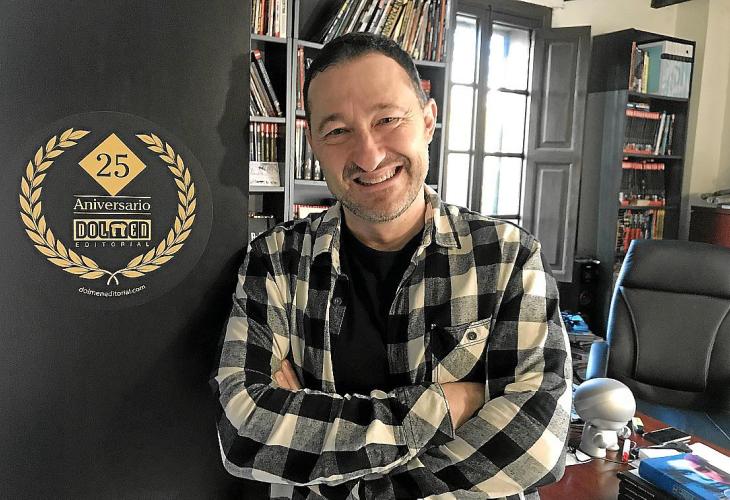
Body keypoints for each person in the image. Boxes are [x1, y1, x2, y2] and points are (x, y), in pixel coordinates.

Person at [212, 32, 571, 499]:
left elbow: (536, 446)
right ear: (313, 143)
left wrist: (349, 483)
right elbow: (245, 433)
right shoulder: (276, 259)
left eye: (388, 119)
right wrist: (449, 405)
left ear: (428, 121)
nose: (369, 155)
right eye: (337, 131)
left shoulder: (507, 256)